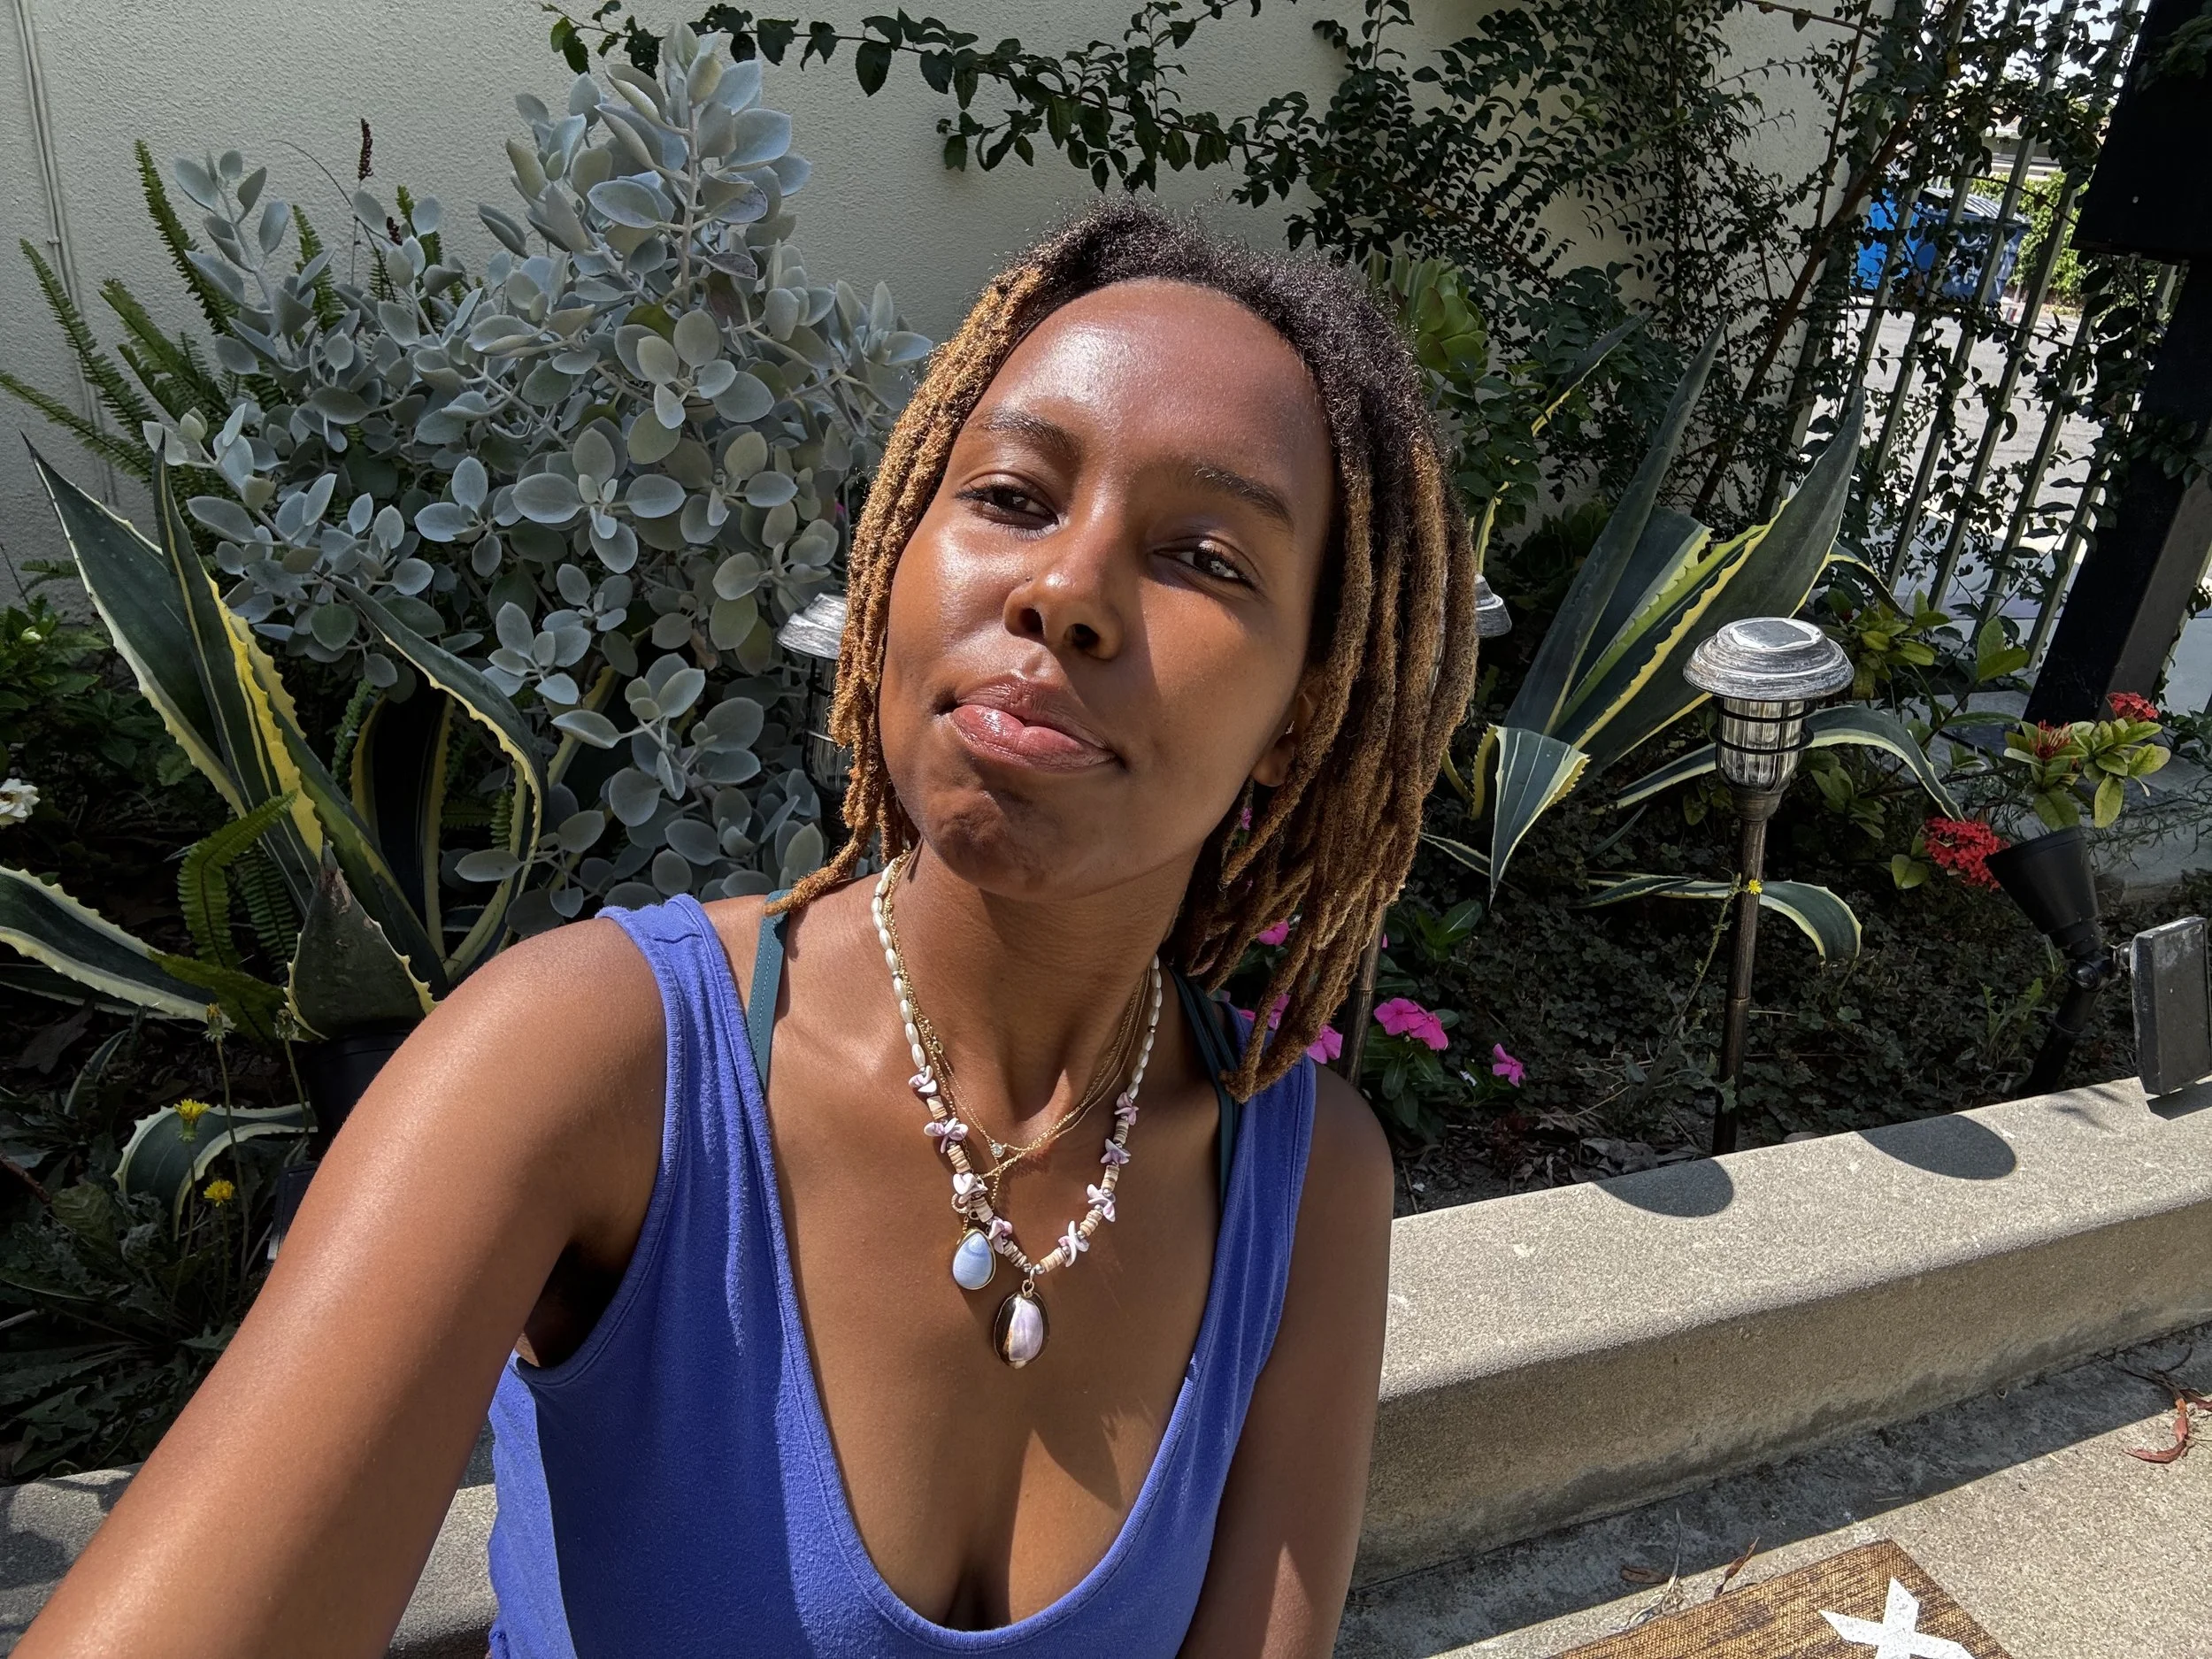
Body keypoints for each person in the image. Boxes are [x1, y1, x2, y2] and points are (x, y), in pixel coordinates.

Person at [21, 201, 1478, 1657]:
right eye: (1015, 498)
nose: (1068, 589)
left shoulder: (1303, 1180)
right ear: (898, 561)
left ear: (1308, 708)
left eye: (1206, 558)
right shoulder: (587, 1064)